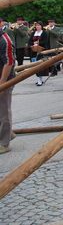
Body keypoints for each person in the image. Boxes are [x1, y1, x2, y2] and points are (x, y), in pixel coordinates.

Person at [0, 24, 16, 154]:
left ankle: (4, 143)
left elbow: (9, 62)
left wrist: (2, 84)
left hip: (5, 78)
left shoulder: (5, 40)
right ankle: (8, 132)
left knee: (3, 110)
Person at [29, 21, 50, 86]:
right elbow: (29, 41)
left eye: (39, 25)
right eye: (36, 25)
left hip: (42, 51)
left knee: (41, 65)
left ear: (41, 26)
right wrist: (33, 44)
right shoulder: (33, 33)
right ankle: (39, 79)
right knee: (35, 65)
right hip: (34, 51)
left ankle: (40, 80)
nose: (37, 27)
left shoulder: (44, 33)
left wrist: (38, 43)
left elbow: (45, 41)